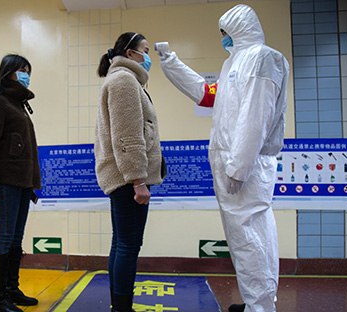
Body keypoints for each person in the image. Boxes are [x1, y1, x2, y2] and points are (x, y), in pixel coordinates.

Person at [156, 4, 289, 312]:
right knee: (244, 239)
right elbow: (206, 94)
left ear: (237, 29)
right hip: (233, 165)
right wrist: (171, 62)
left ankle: (261, 307)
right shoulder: (235, 64)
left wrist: (239, 167)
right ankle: (256, 302)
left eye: (224, 33)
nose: (223, 39)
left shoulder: (262, 58)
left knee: (251, 239)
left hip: (245, 168)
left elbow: (256, 117)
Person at [95, 32, 165, 312]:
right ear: (129, 52)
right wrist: (138, 179)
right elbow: (127, 135)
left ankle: (118, 305)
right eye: (145, 50)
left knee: (120, 243)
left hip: (123, 176)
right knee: (128, 245)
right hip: (128, 178)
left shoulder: (125, 80)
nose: (149, 56)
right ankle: (122, 308)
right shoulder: (124, 80)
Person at [0, 54, 41, 312]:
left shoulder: (19, 104)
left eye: (28, 70)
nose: (25, 74)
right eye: (21, 70)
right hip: (5, 181)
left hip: (23, 183)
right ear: (8, 72)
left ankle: (11, 289)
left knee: (16, 238)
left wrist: (33, 182)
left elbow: (28, 150)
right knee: (3, 237)